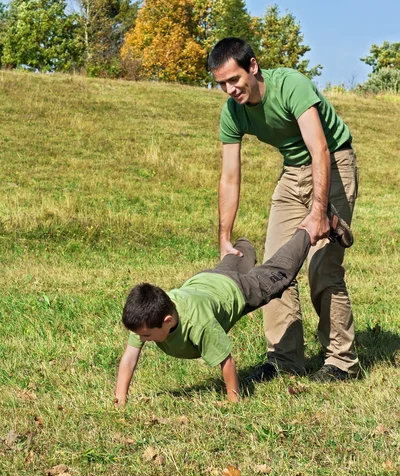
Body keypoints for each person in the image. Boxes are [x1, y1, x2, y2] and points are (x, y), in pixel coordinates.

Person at [208, 37, 359, 382]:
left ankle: (341, 362)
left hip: (334, 163)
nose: (230, 89)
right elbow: (229, 177)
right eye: (222, 84)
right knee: (275, 267)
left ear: (253, 66)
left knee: (322, 265)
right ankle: (285, 360)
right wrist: (224, 237)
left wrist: (320, 212)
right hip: (293, 172)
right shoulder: (233, 112)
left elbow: (319, 147)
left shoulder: (291, 85)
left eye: (234, 79)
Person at [115, 210, 352, 405]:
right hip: (208, 280)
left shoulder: (200, 325)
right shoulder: (147, 316)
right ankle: (244, 246)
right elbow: (129, 358)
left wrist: (233, 400)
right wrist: (120, 397)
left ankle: (311, 229)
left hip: (237, 291)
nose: (141, 339)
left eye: (146, 335)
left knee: (278, 276)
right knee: (234, 260)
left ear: (167, 321)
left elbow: (226, 362)